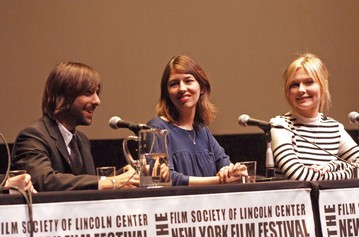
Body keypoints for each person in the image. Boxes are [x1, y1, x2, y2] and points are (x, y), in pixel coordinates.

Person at [12, 62, 138, 192]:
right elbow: (43, 180)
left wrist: (123, 175)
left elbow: (85, 184)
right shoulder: (33, 136)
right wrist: (113, 182)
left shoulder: (81, 140)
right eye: (88, 93)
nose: (97, 101)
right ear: (64, 96)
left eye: (97, 93)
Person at [147, 55, 244, 186]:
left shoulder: (203, 132)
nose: (182, 88)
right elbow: (164, 179)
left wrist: (231, 171)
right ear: (167, 93)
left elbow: (227, 167)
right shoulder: (157, 128)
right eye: (174, 84)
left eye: (188, 81)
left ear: (202, 87)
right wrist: (218, 180)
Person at [270, 53, 359, 180]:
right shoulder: (280, 125)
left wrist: (334, 166)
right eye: (294, 85)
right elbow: (299, 176)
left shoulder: (334, 128)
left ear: (323, 86)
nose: (301, 90)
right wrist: (341, 174)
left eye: (309, 82)